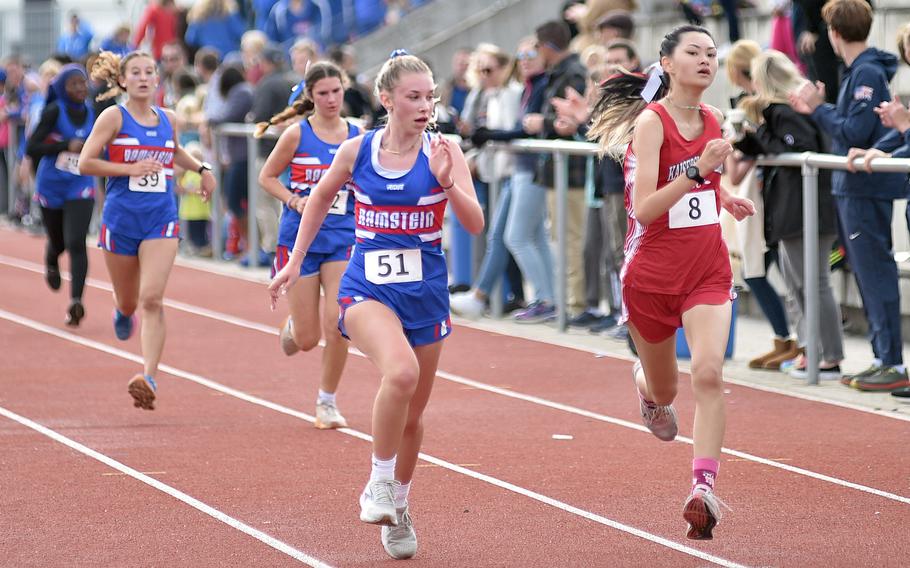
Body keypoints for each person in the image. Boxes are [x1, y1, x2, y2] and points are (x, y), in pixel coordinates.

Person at [269, 51, 483, 559]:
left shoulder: (444, 150)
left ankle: (400, 506)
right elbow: (319, 199)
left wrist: (448, 180)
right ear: (387, 100)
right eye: (413, 97)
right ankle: (378, 482)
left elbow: (475, 225)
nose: (425, 106)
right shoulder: (357, 150)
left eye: (430, 96)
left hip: (425, 292)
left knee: (413, 416)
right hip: (365, 285)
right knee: (401, 373)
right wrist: (295, 262)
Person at [587, 24, 755, 540]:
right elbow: (645, 207)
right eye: (694, 53)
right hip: (653, 273)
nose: (706, 60)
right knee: (668, 386)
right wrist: (698, 172)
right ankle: (647, 390)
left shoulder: (714, 117)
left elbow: (708, 184)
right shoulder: (651, 123)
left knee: (708, 374)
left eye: (711, 53)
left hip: (706, 266)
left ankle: (702, 488)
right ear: (668, 62)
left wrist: (723, 197)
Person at [78, 51, 216, 411]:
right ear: (122, 81)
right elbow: (85, 162)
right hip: (121, 221)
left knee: (152, 298)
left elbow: (172, 154)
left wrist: (201, 168)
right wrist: (129, 169)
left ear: (158, 79)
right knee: (128, 301)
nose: (143, 77)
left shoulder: (168, 119)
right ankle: (123, 313)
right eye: (135, 72)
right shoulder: (114, 117)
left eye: (149, 72)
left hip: (161, 219)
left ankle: (149, 377)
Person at [790, 0, 909, 392]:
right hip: (855, 186)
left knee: (875, 275)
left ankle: (890, 360)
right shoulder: (858, 70)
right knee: (868, 276)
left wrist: (817, 109)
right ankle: (883, 357)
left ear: (834, 34)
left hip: (864, 189)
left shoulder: (867, 71)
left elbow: (856, 132)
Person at [257, 61, 360, 429]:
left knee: (338, 323)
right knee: (307, 337)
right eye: (323, 94)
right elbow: (267, 176)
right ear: (310, 96)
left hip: (343, 239)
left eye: (336, 91)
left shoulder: (358, 135)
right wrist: (292, 199)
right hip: (299, 239)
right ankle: (293, 329)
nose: (331, 99)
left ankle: (326, 402)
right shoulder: (297, 135)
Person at [738, 50, 844, 380]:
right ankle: (815, 351)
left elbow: (794, 149)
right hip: (798, 207)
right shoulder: (786, 113)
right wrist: (750, 138)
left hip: (802, 206)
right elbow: (776, 146)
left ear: (762, 80)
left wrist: (760, 132)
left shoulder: (782, 112)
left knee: (812, 284)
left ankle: (827, 357)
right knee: (801, 284)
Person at [25, 64, 96, 327]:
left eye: (83, 83)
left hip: (81, 184)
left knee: (77, 241)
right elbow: (32, 147)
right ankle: (51, 257)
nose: (80, 88)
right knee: (60, 242)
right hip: (52, 185)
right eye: (73, 84)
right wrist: (65, 145)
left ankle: (76, 301)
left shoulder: (93, 112)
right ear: (62, 88)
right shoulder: (54, 111)